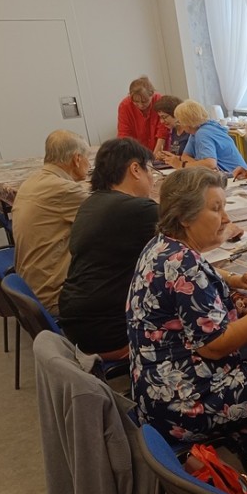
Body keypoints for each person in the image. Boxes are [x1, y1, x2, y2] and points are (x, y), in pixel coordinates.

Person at [126, 167, 247, 453]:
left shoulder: (163, 246)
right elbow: (215, 346)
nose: (226, 218)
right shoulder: (185, 266)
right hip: (186, 405)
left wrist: (231, 281)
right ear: (184, 216)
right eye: (216, 209)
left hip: (155, 392)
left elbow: (195, 284)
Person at [59, 138, 158, 361]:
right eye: (150, 170)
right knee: (202, 318)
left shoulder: (91, 203)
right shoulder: (139, 210)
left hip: (78, 324)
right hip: (110, 332)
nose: (152, 179)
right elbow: (191, 243)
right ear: (135, 169)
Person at [12, 129, 90, 315]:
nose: (89, 163)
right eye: (88, 158)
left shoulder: (32, 181)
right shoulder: (64, 190)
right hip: (55, 295)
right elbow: (108, 215)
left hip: (29, 288)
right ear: (77, 159)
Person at [161, 100, 247, 175]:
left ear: (187, 122)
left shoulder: (203, 133)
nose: (179, 124)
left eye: (179, 121)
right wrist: (196, 164)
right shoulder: (196, 130)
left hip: (235, 176)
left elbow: (210, 164)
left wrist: (181, 165)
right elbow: (185, 156)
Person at [117, 76, 169, 155]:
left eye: (145, 101)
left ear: (152, 94)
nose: (141, 105)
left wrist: (155, 156)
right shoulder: (124, 106)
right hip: (136, 150)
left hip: (160, 148)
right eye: (136, 102)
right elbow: (124, 135)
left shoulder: (159, 100)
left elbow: (163, 131)